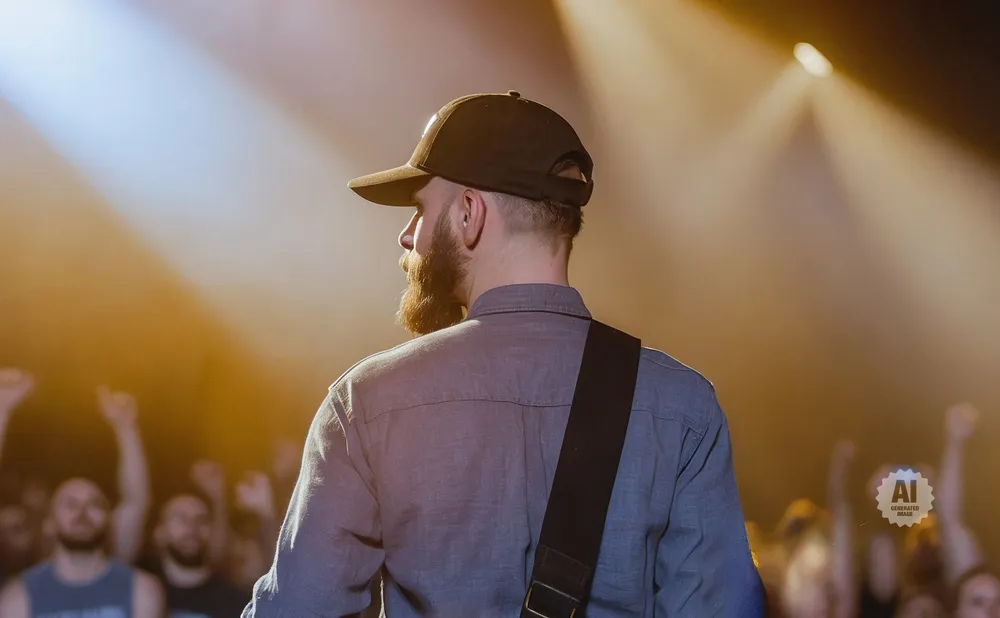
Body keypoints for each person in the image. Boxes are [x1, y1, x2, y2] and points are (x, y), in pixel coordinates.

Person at [243, 90, 762, 617]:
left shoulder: (368, 405)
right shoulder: (682, 409)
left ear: (469, 214)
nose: (407, 237)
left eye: (420, 210)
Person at [0, 478, 164, 617]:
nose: (82, 512)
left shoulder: (142, 590)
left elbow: (136, 501)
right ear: (50, 523)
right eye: (70, 505)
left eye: (94, 504)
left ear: (108, 520)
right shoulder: (17, 598)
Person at [152, 493, 247, 618]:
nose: (192, 527)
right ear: (159, 532)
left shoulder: (236, 601)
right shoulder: (137, 590)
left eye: (201, 519)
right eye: (181, 519)